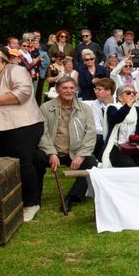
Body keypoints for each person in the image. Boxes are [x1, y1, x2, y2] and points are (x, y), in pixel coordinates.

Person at [0, 44, 45, 221]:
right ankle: (17, 199)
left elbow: (24, 92)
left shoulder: (15, 70)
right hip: (4, 129)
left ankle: (31, 204)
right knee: (9, 166)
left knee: (23, 164)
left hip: (23, 126)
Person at [35, 76, 97, 212]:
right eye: (65, 88)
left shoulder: (85, 109)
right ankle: (34, 200)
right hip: (52, 152)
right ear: (57, 90)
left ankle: (71, 198)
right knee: (34, 159)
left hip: (74, 152)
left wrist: (81, 156)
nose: (69, 91)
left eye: (71, 88)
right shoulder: (45, 108)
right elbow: (42, 133)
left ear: (75, 90)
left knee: (91, 162)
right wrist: (51, 153)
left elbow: (90, 134)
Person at [102, 84, 139, 167]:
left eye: (134, 92)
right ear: (120, 97)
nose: (132, 94)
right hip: (116, 146)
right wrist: (129, 104)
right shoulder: (112, 108)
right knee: (128, 165)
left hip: (135, 145)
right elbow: (117, 118)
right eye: (128, 92)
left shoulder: (137, 110)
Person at [83, 77, 116, 157]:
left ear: (108, 91)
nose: (96, 92)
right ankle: (99, 161)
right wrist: (111, 133)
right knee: (98, 138)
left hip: (120, 135)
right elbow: (96, 128)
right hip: (105, 135)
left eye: (99, 89)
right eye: (95, 89)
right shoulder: (95, 105)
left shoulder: (119, 103)